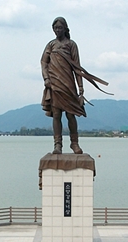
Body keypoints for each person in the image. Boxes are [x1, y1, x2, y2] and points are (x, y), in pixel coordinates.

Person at [41, 17, 111, 155]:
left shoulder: (71, 45)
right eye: (55, 28)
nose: (57, 30)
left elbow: (77, 68)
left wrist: (80, 86)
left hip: (68, 84)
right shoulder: (51, 45)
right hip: (54, 84)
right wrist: (46, 78)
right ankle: (58, 145)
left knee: (70, 114)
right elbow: (44, 62)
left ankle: (74, 143)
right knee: (56, 115)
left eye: (60, 28)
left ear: (65, 29)